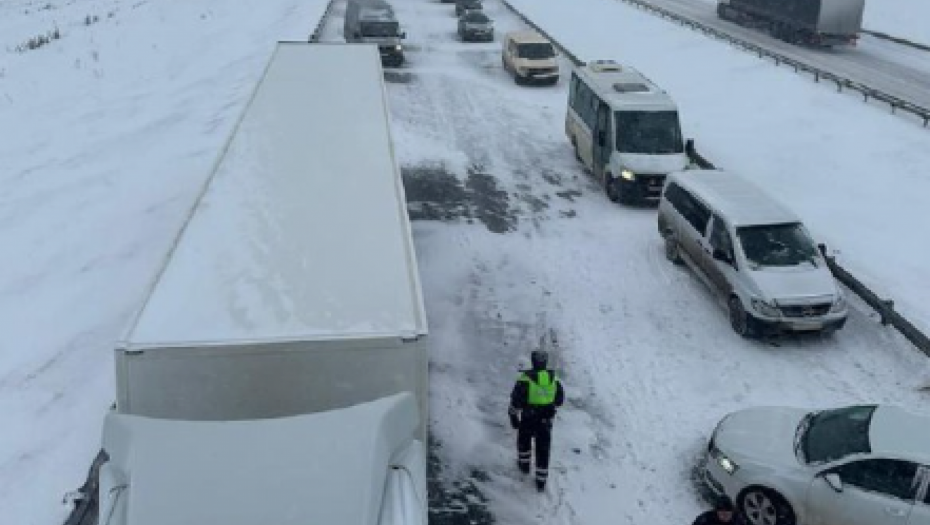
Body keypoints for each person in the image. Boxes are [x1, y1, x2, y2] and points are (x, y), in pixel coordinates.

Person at [508, 350, 564, 492]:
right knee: (543, 449)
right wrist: (547, 403)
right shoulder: (554, 378)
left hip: (528, 418)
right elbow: (559, 400)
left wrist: (513, 417)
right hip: (546, 420)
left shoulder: (525, 379)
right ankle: (541, 481)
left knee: (524, 442)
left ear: (533, 361)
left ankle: (524, 466)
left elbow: (516, 401)